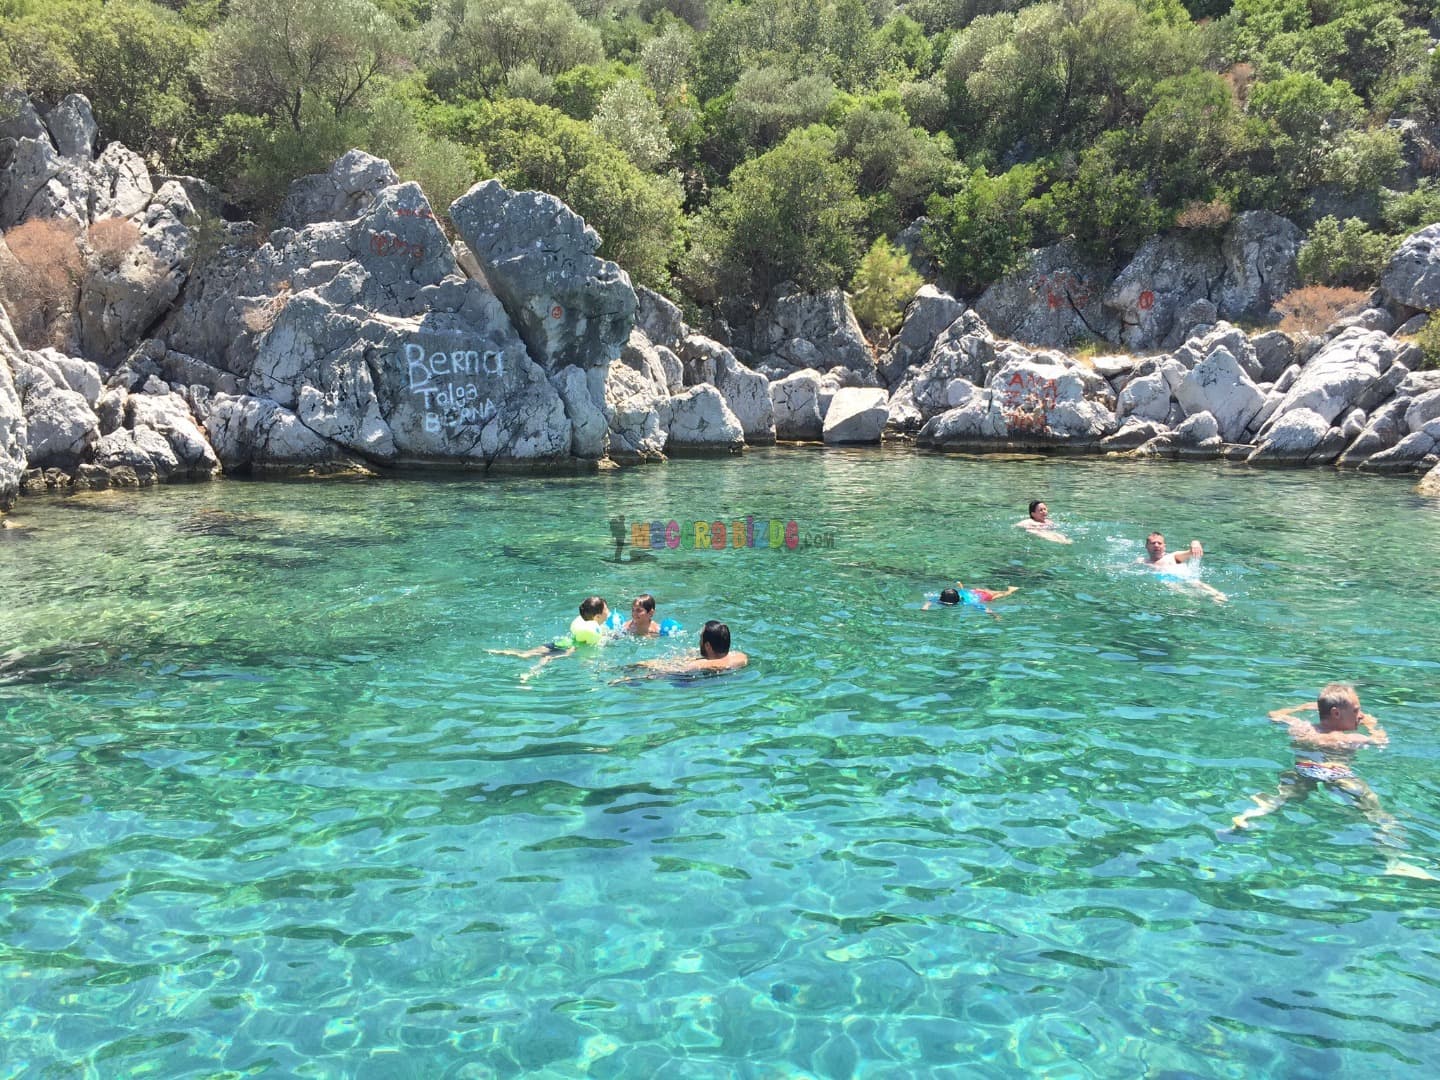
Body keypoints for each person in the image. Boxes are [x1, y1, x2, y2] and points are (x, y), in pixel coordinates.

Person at [1230, 684, 1432, 877]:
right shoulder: (1350, 738)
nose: (1360, 716)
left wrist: (1302, 707)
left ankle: (1247, 817)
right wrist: (1372, 724)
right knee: (1378, 813)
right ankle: (1394, 862)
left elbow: (1273, 715)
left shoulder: (1301, 727)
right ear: (1336, 713)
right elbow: (1381, 741)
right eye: (1356, 711)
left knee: (1280, 797)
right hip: (1337, 774)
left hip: (1305, 769)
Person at [489, 595, 611, 680]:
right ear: (598, 616)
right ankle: (529, 674)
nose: (608, 611)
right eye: (606, 609)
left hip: (563, 641)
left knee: (527, 653)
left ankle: (501, 651)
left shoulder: (582, 622)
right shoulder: (594, 630)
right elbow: (591, 648)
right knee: (547, 658)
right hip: (572, 648)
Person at [633, 620, 748, 677]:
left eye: (701, 638)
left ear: (707, 646)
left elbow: (666, 670)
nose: (699, 642)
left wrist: (643, 665)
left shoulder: (697, 665)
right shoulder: (739, 657)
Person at [1138, 531, 1226, 602]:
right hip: (1170, 582)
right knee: (1179, 591)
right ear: (1146, 546)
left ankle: (1218, 595)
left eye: (1159, 543)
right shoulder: (1143, 561)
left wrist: (1195, 543)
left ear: (1164, 546)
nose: (1156, 545)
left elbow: (1190, 551)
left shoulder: (1173, 556)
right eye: (1153, 543)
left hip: (1184, 577)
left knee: (1195, 583)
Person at [922, 581, 1017, 616]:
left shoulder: (967, 602)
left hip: (982, 596)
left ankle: (1011, 590)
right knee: (991, 591)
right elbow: (930, 600)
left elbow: (982, 607)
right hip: (972, 592)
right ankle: (1005, 590)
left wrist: (994, 615)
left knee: (1001, 594)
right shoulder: (942, 599)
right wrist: (925, 607)